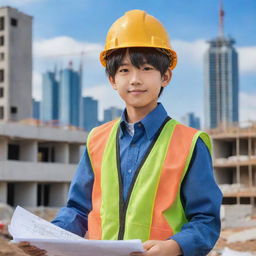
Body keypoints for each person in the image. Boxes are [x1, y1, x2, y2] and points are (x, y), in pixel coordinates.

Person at [19, 9, 222, 256]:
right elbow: (78, 209)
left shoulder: (189, 142)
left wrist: (175, 246)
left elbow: (206, 220)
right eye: (125, 70)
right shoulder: (97, 139)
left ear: (165, 76)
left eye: (146, 68)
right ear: (112, 80)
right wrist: (48, 237)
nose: (135, 79)